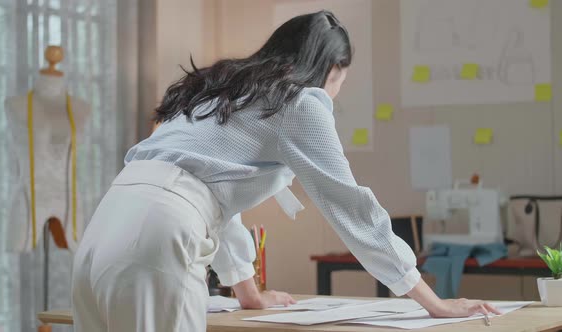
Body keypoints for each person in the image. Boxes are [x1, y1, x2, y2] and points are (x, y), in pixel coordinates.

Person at [71, 10, 500, 332]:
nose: (334, 94)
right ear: (331, 70)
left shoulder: (221, 91)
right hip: (161, 231)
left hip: (106, 225)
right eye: (339, 83)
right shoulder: (300, 102)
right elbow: (349, 207)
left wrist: (248, 293)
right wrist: (433, 302)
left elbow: (213, 198)